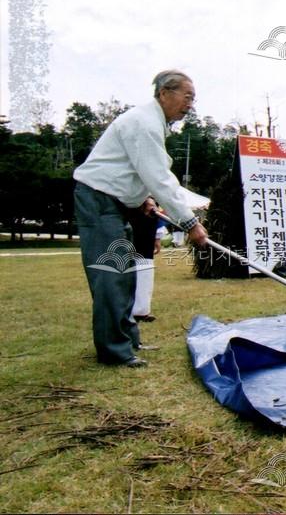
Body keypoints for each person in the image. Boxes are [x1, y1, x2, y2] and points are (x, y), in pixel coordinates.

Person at [73, 70, 208, 368]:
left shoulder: (153, 123)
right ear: (164, 93)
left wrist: (142, 199)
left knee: (125, 272)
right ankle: (114, 352)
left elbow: (134, 171)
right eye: (187, 97)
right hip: (99, 200)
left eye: (193, 99)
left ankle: (128, 340)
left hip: (116, 202)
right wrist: (189, 223)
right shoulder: (145, 123)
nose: (190, 105)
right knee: (111, 274)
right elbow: (159, 177)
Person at [128, 210, 162, 323]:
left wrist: (157, 237)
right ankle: (126, 310)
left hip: (147, 231)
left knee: (145, 273)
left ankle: (141, 311)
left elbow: (157, 214)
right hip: (128, 225)